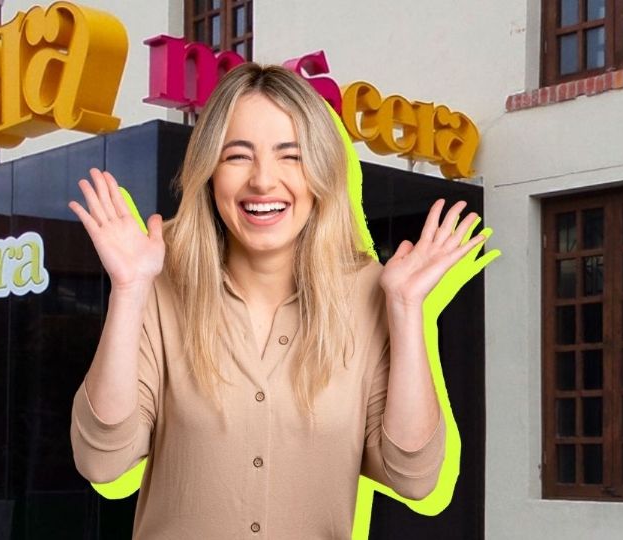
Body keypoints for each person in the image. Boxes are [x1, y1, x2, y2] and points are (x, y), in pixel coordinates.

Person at [67, 63, 485, 539]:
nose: (263, 181)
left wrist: (408, 311)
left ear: (322, 172)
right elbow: (102, 461)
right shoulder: (161, 285)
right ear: (209, 172)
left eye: (291, 156)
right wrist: (128, 290)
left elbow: (413, 477)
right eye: (237, 156)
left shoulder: (369, 292)